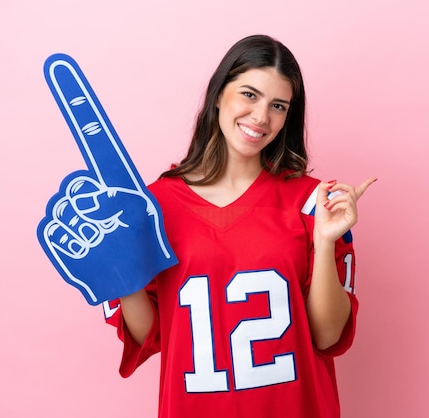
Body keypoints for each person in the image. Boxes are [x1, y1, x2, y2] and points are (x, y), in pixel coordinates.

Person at [105, 34, 376, 418]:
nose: (261, 117)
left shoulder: (315, 203)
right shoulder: (153, 207)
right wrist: (118, 268)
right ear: (219, 94)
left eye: (277, 105)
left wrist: (326, 241)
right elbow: (149, 336)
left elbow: (327, 336)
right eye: (249, 94)